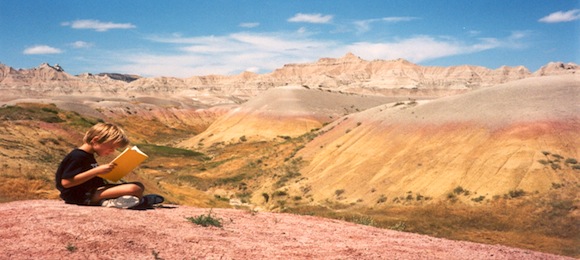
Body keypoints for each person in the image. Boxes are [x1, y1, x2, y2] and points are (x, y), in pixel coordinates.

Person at [55, 122, 163, 209]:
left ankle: (115, 200)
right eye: (111, 147)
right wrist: (96, 171)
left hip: (91, 191)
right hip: (79, 196)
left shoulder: (88, 155)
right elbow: (66, 183)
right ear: (96, 140)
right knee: (134, 189)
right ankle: (141, 201)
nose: (112, 151)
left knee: (138, 185)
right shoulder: (77, 156)